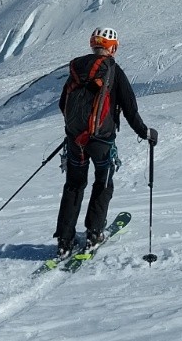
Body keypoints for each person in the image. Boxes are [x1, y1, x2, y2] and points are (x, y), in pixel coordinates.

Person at [54, 26, 158, 256]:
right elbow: (130, 108)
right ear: (113, 48)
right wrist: (145, 133)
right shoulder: (113, 70)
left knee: (73, 186)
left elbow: (63, 103)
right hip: (102, 141)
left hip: (75, 141)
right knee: (102, 184)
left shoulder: (76, 68)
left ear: (93, 44)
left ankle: (64, 240)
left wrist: (75, 129)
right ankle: (94, 233)